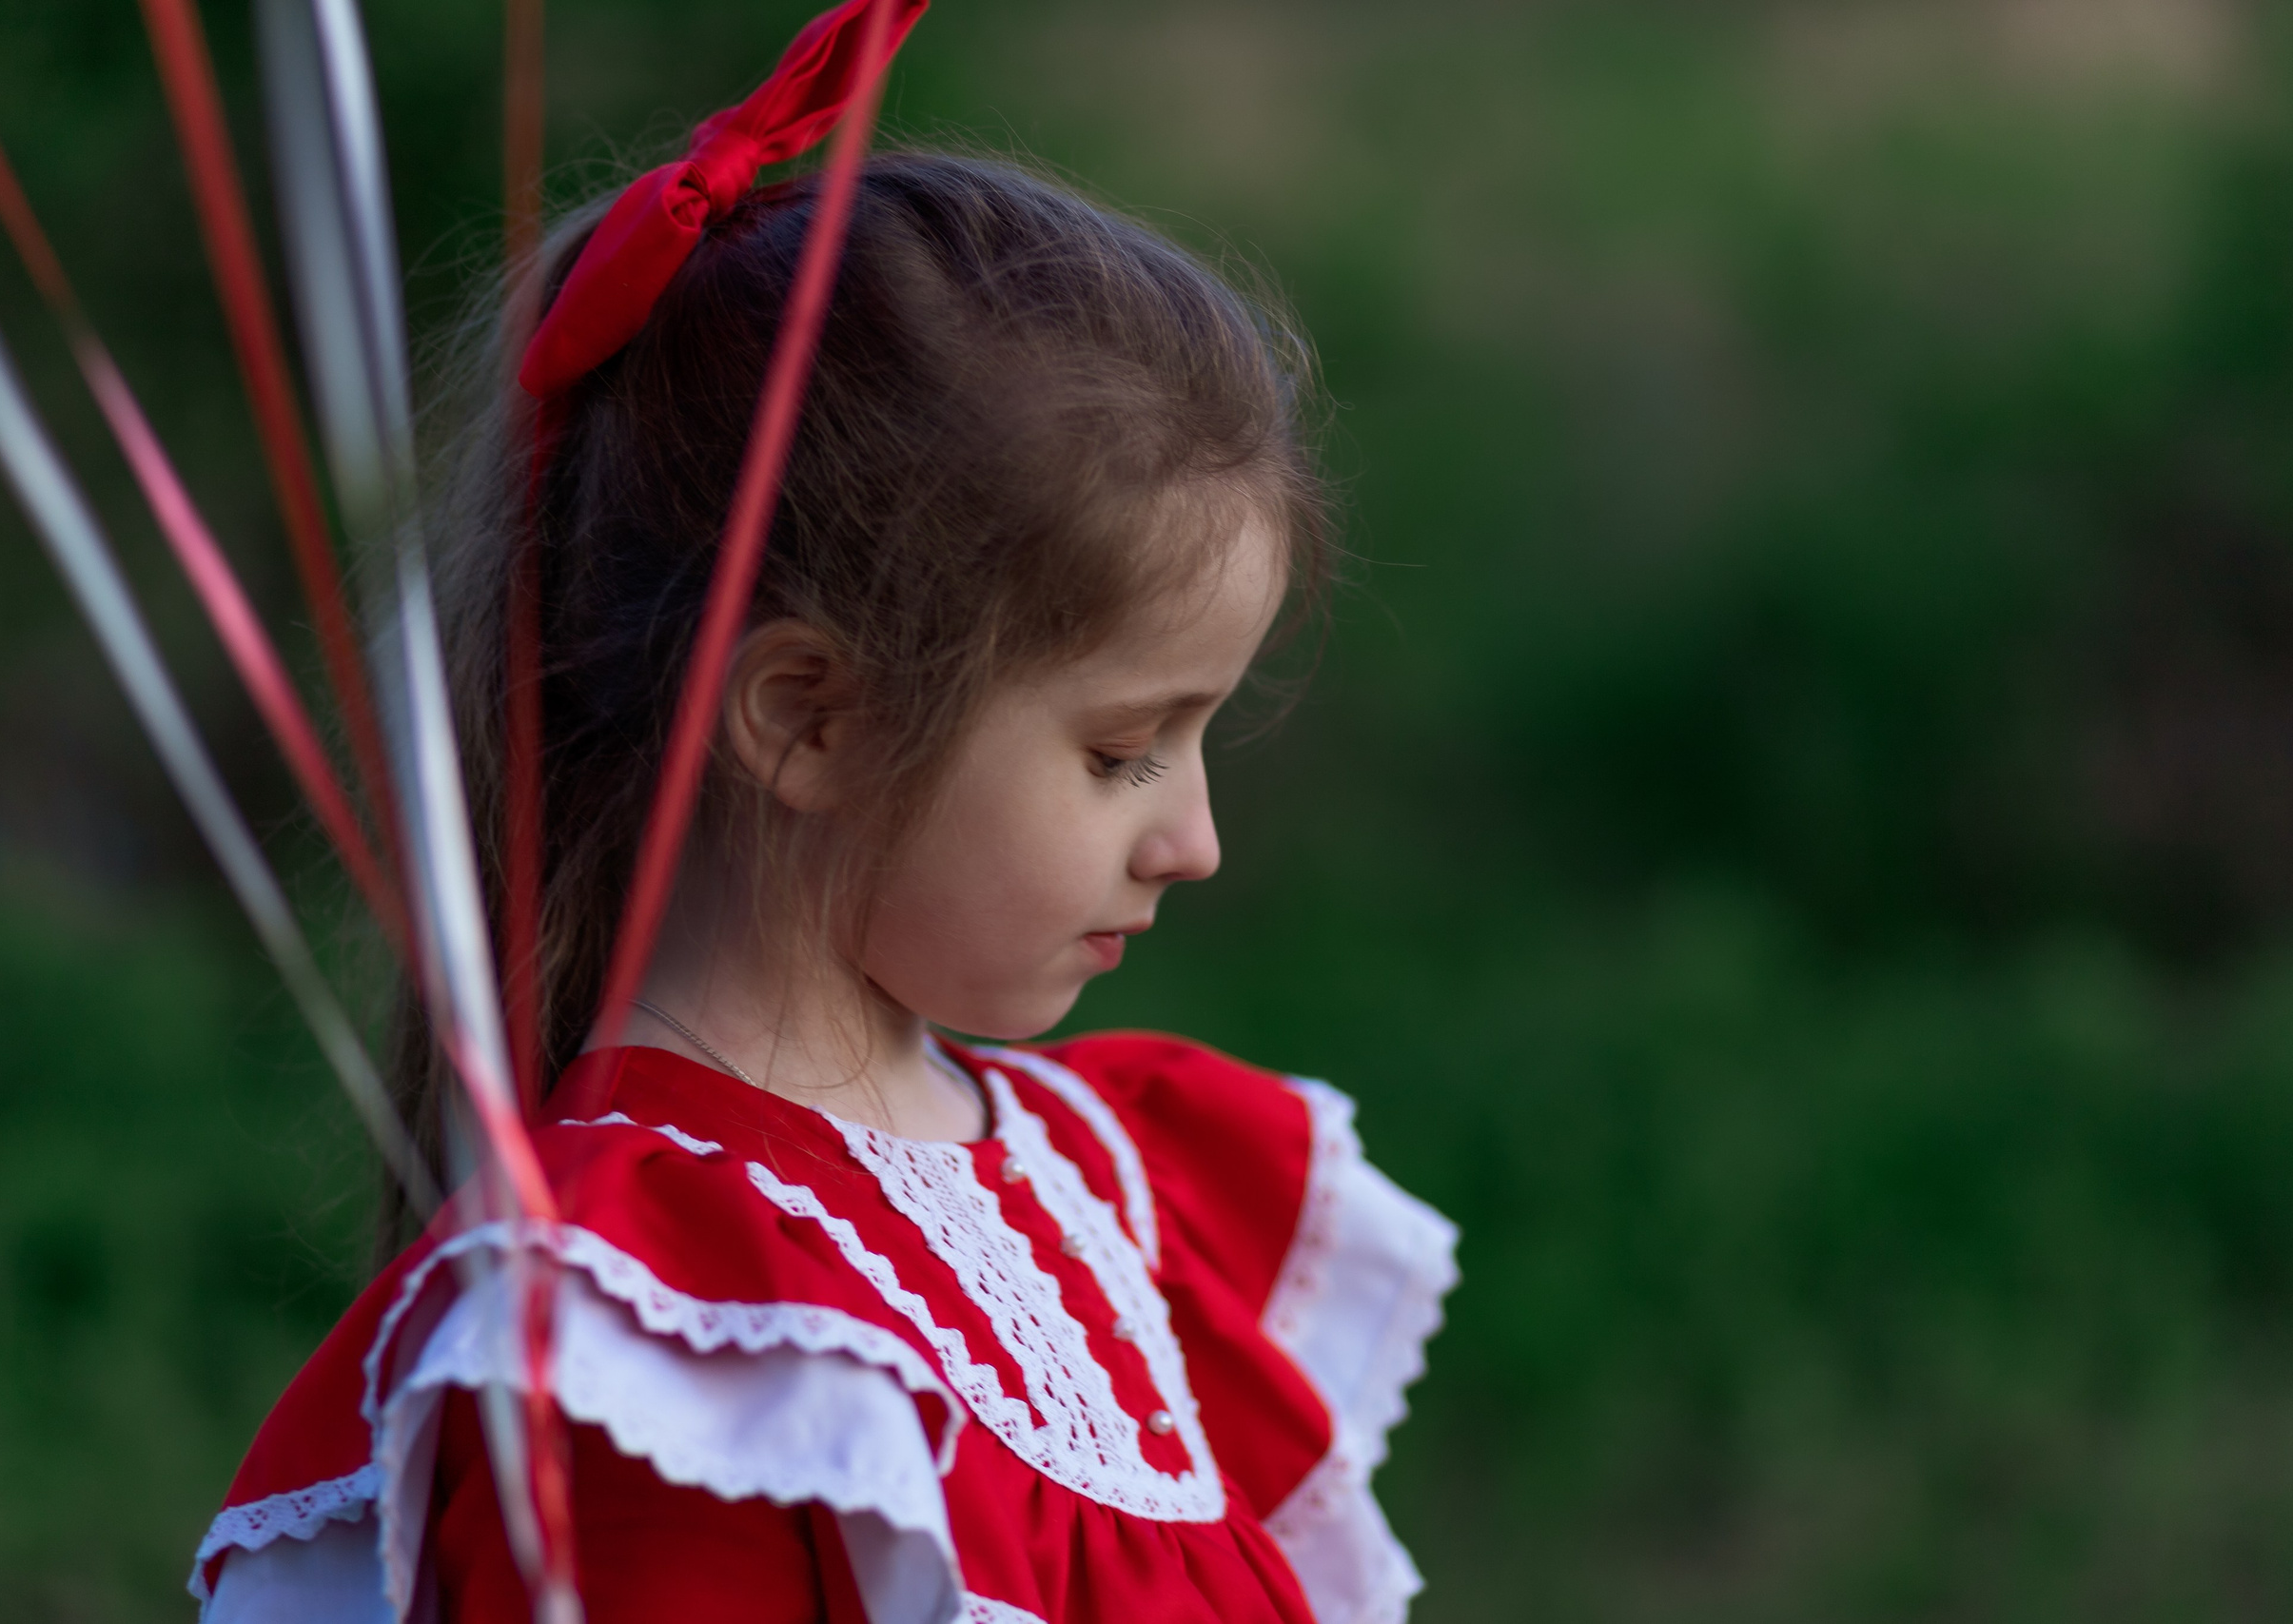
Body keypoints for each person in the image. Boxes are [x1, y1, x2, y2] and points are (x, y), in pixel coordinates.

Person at [189, 4, 1455, 1620]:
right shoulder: (653, 1352)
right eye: (1123, 749)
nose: (1193, 841)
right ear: (809, 717)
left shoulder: (1112, 1190)